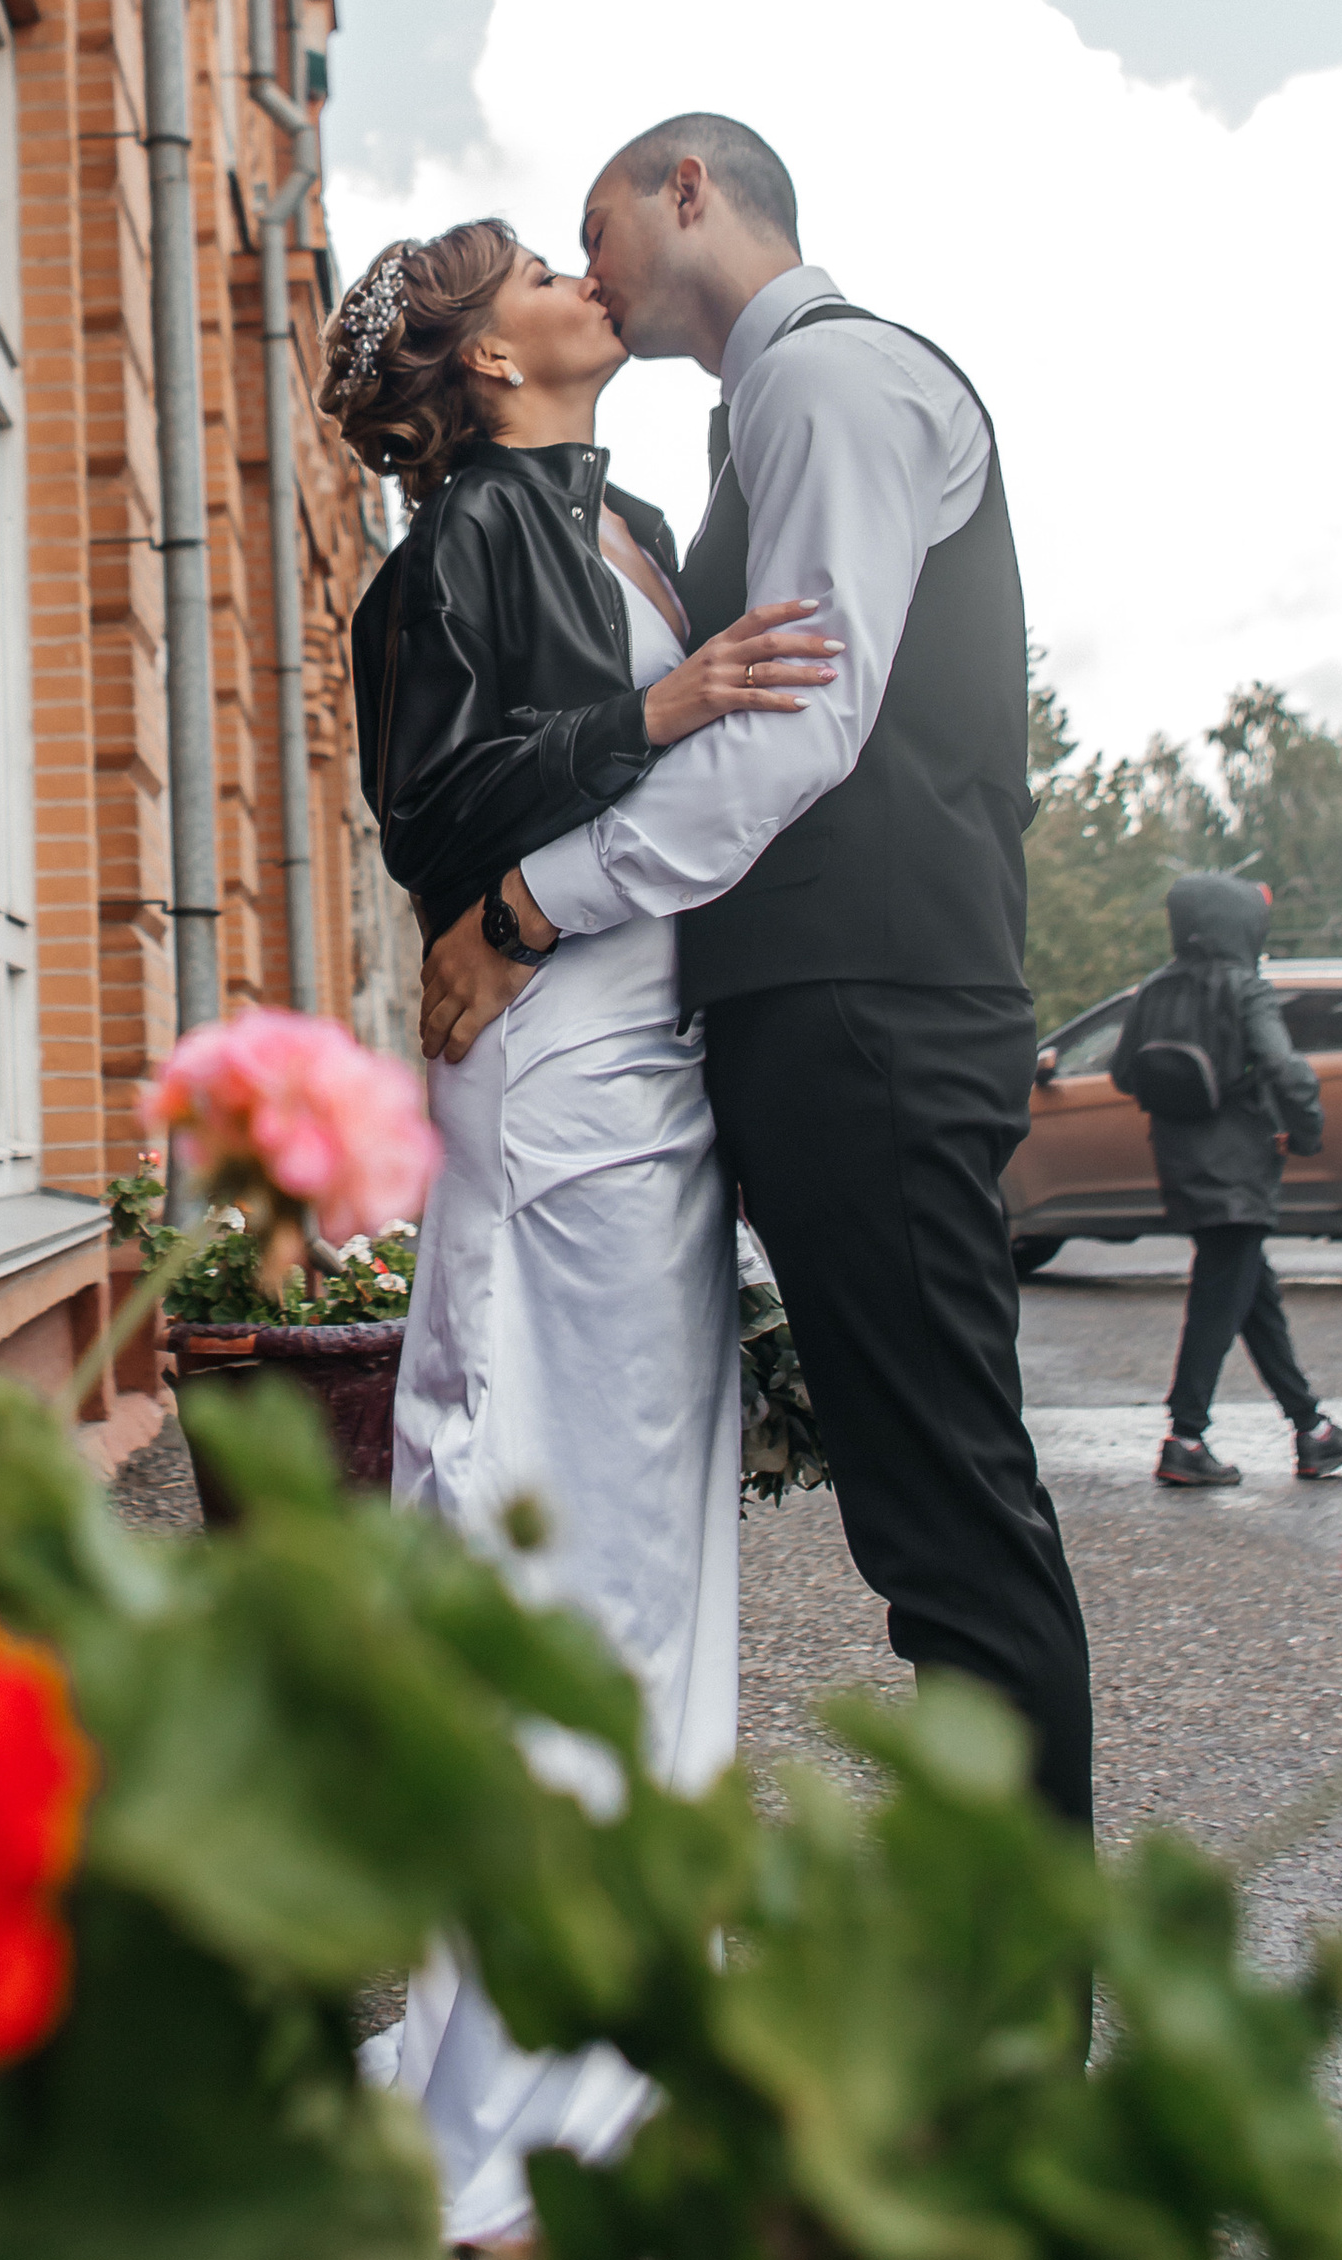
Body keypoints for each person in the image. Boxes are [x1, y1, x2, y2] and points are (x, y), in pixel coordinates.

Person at [419, 114, 1098, 1831]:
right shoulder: (746, 432)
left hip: (870, 1009)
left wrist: (528, 906)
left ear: (690, 192)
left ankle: (1024, 1979)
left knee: (950, 1521)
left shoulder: (830, 382)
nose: (590, 272)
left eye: (596, 229)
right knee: (922, 1518)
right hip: (817, 1013)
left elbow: (797, 736)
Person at [322, 215, 836, 2244]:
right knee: (558, 1557)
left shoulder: (623, 516)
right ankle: (529, 2096)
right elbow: (432, 818)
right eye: (539, 263)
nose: (579, 272)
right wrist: (661, 708)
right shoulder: (448, 553)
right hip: (556, 1085)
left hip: (650, 1076)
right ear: (482, 358)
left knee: (649, 1562)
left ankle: (634, 2034)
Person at [1114, 872, 1342, 1489]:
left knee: (1254, 1298)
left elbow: (1126, 1074)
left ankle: (1311, 1430)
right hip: (1239, 1166)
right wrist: (1305, 1133)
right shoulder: (1245, 987)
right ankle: (1185, 1438)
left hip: (1180, 1162)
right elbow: (1286, 1069)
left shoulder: (1155, 988)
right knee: (1217, 1302)